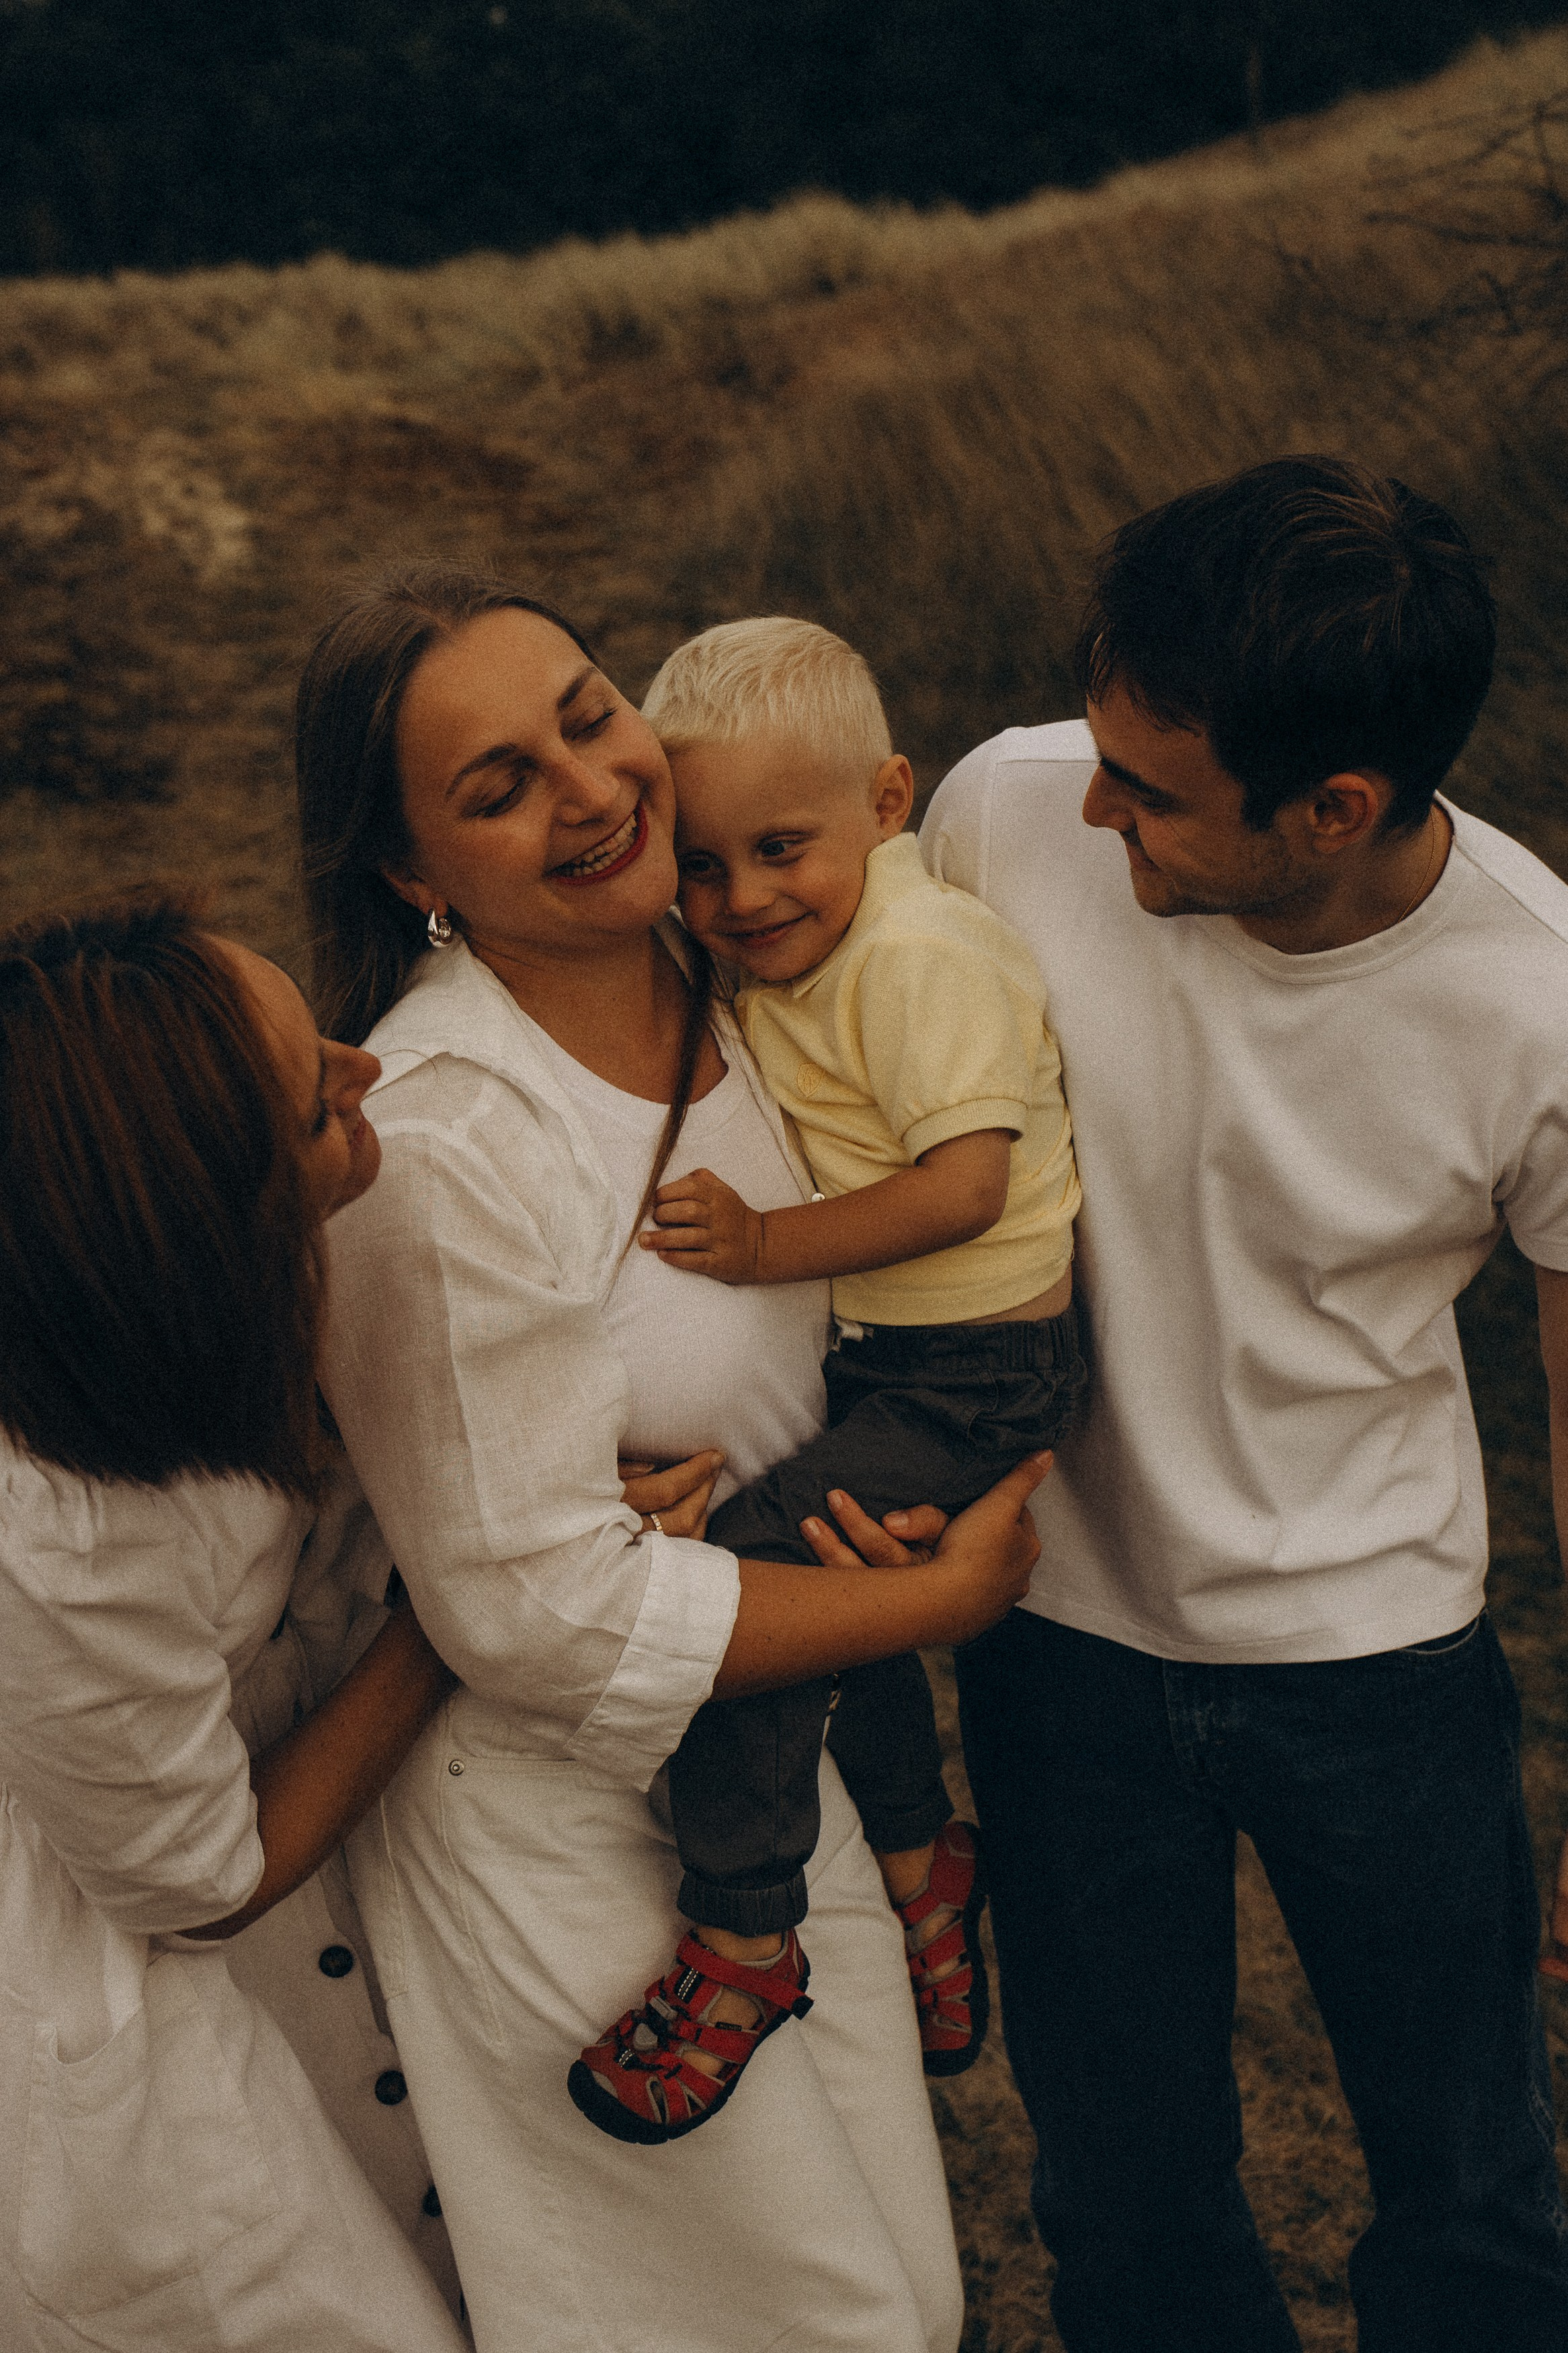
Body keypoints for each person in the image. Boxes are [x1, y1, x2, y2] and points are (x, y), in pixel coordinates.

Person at [295, 563, 1047, 2353]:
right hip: (562, 1820)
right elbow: (530, 1615)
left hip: (776, 1769)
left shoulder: (760, 971)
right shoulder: (445, 1135)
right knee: (786, 2319)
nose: (588, 786)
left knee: (897, 2293)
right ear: (412, 875)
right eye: (497, 787)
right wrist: (934, 1595)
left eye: (583, 714)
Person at [921, 453, 1568, 2353]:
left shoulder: (1536, 1002)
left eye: (1151, 789)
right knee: (1119, 2205)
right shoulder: (1004, 806)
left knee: (1467, 2194)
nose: (1086, 800)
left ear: (1333, 807)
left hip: (1382, 1666)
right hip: (1056, 1643)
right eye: (1100, 747)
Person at [561, 616, 1083, 2142]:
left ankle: (741, 1932)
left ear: (888, 796)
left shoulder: (916, 955)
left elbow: (963, 1189)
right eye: (705, 865)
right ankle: (925, 1870)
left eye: (780, 847)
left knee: (748, 1607)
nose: (741, 899)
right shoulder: (811, 940)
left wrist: (762, 1245)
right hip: (909, 1363)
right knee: (834, 1618)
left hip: (974, 1372)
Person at [0, 889, 467, 2353]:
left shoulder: (206, 1308)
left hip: (314, 1808)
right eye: (314, 1102)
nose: (367, 1066)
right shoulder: (57, 1538)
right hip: (148, 1947)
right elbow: (192, 1881)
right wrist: (462, 1617)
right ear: (219, 1231)